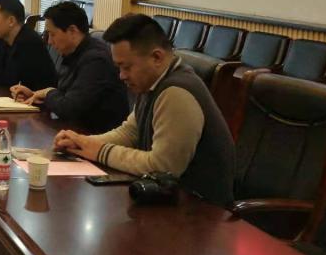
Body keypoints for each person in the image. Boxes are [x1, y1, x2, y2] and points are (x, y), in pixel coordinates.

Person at [53, 13, 235, 205]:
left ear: (156, 57)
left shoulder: (176, 93)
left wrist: (99, 151)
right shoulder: (151, 82)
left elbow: (162, 167)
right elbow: (130, 132)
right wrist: (82, 142)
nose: (122, 76)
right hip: (167, 199)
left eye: (126, 67)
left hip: (201, 210)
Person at [11, 2, 129, 134]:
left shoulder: (96, 60)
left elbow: (70, 108)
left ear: (72, 31)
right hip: (75, 131)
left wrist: (48, 93)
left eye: (52, 34)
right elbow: (66, 97)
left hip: (96, 136)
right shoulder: (73, 53)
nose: (49, 41)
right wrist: (36, 95)